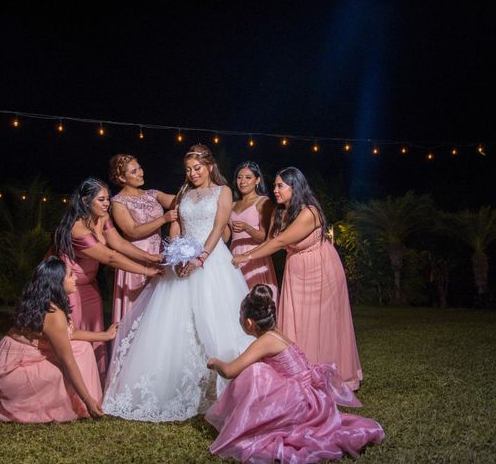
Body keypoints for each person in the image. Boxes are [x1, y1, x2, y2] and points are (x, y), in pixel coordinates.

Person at [102, 144, 254, 422]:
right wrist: (177, 255)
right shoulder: (184, 193)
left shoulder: (223, 191)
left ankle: (223, 384)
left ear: (209, 166)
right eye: (188, 170)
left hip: (212, 259)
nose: (193, 173)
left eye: (197, 168)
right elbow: (177, 226)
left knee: (216, 318)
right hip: (184, 260)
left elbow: (220, 227)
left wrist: (201, 257)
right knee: (176, 325)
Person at [205, 284, 384, 464]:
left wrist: (214, 362)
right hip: (314, 397)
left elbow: (230, 371)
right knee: (261, 371)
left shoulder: (266, 341)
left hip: (300, 401)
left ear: (249, 322)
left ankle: (243, 424)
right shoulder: (276, 334)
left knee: (256, 373)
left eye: (240, 317)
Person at [232, 167, 362, 390]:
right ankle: (299, 371)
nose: (275, 190)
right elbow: (269, 241)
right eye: (274, 185)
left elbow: (280, 242)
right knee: (295, 320)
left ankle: (330, 374)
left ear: (295, 186)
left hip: (321, 268)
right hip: (296, 269)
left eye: (280, 186)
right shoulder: (279, 212)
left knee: (324, 322)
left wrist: (247, 255)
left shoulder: (309, 212)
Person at [53, 177, 163, 384]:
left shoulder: (101, 218)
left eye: (108, 199)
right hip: (69, 289)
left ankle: (95, 382)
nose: (106, 204)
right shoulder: (77, 228)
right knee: (75, 337)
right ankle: (71, 385)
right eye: (101, 200)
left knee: (95, 335)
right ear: (86, 202)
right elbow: (110, 257)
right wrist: (146, 271)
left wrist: (150, 257)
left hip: (90, 286)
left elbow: (118, 243)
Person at [0, 256, 119, 423]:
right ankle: (79, 404)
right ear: (57, 282)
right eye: (71, 275)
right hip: (13, 370)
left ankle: (77, 401)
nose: (76, 278)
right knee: (72, 363)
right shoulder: (53, 314)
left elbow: (70, 334)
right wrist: (88, 401)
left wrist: (105, 335)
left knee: (83, 348)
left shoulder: (47, 302)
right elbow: (68, 361)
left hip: (22, 357)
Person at [108, 153, 177, 323]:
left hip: (158, 255)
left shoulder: (152, 194)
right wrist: (163, 219)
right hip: (135, 258)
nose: (140, 173)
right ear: (121, 177)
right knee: (136, 311)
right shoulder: (118, 202)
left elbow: (177, 200)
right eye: (133, 171)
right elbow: (132, 231)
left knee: (156, 308)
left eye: (139, 168)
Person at [227, 161, 278, 300]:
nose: (242, 181)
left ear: (257, 180)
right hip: (234, 253)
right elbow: (226, 236)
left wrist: (247, 228)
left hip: (255, 255)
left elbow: (266, 238)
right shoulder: (232, 204)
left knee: (256, 300)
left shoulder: (263, 202)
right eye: (239, 177)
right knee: (235, 299)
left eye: (248, 177)